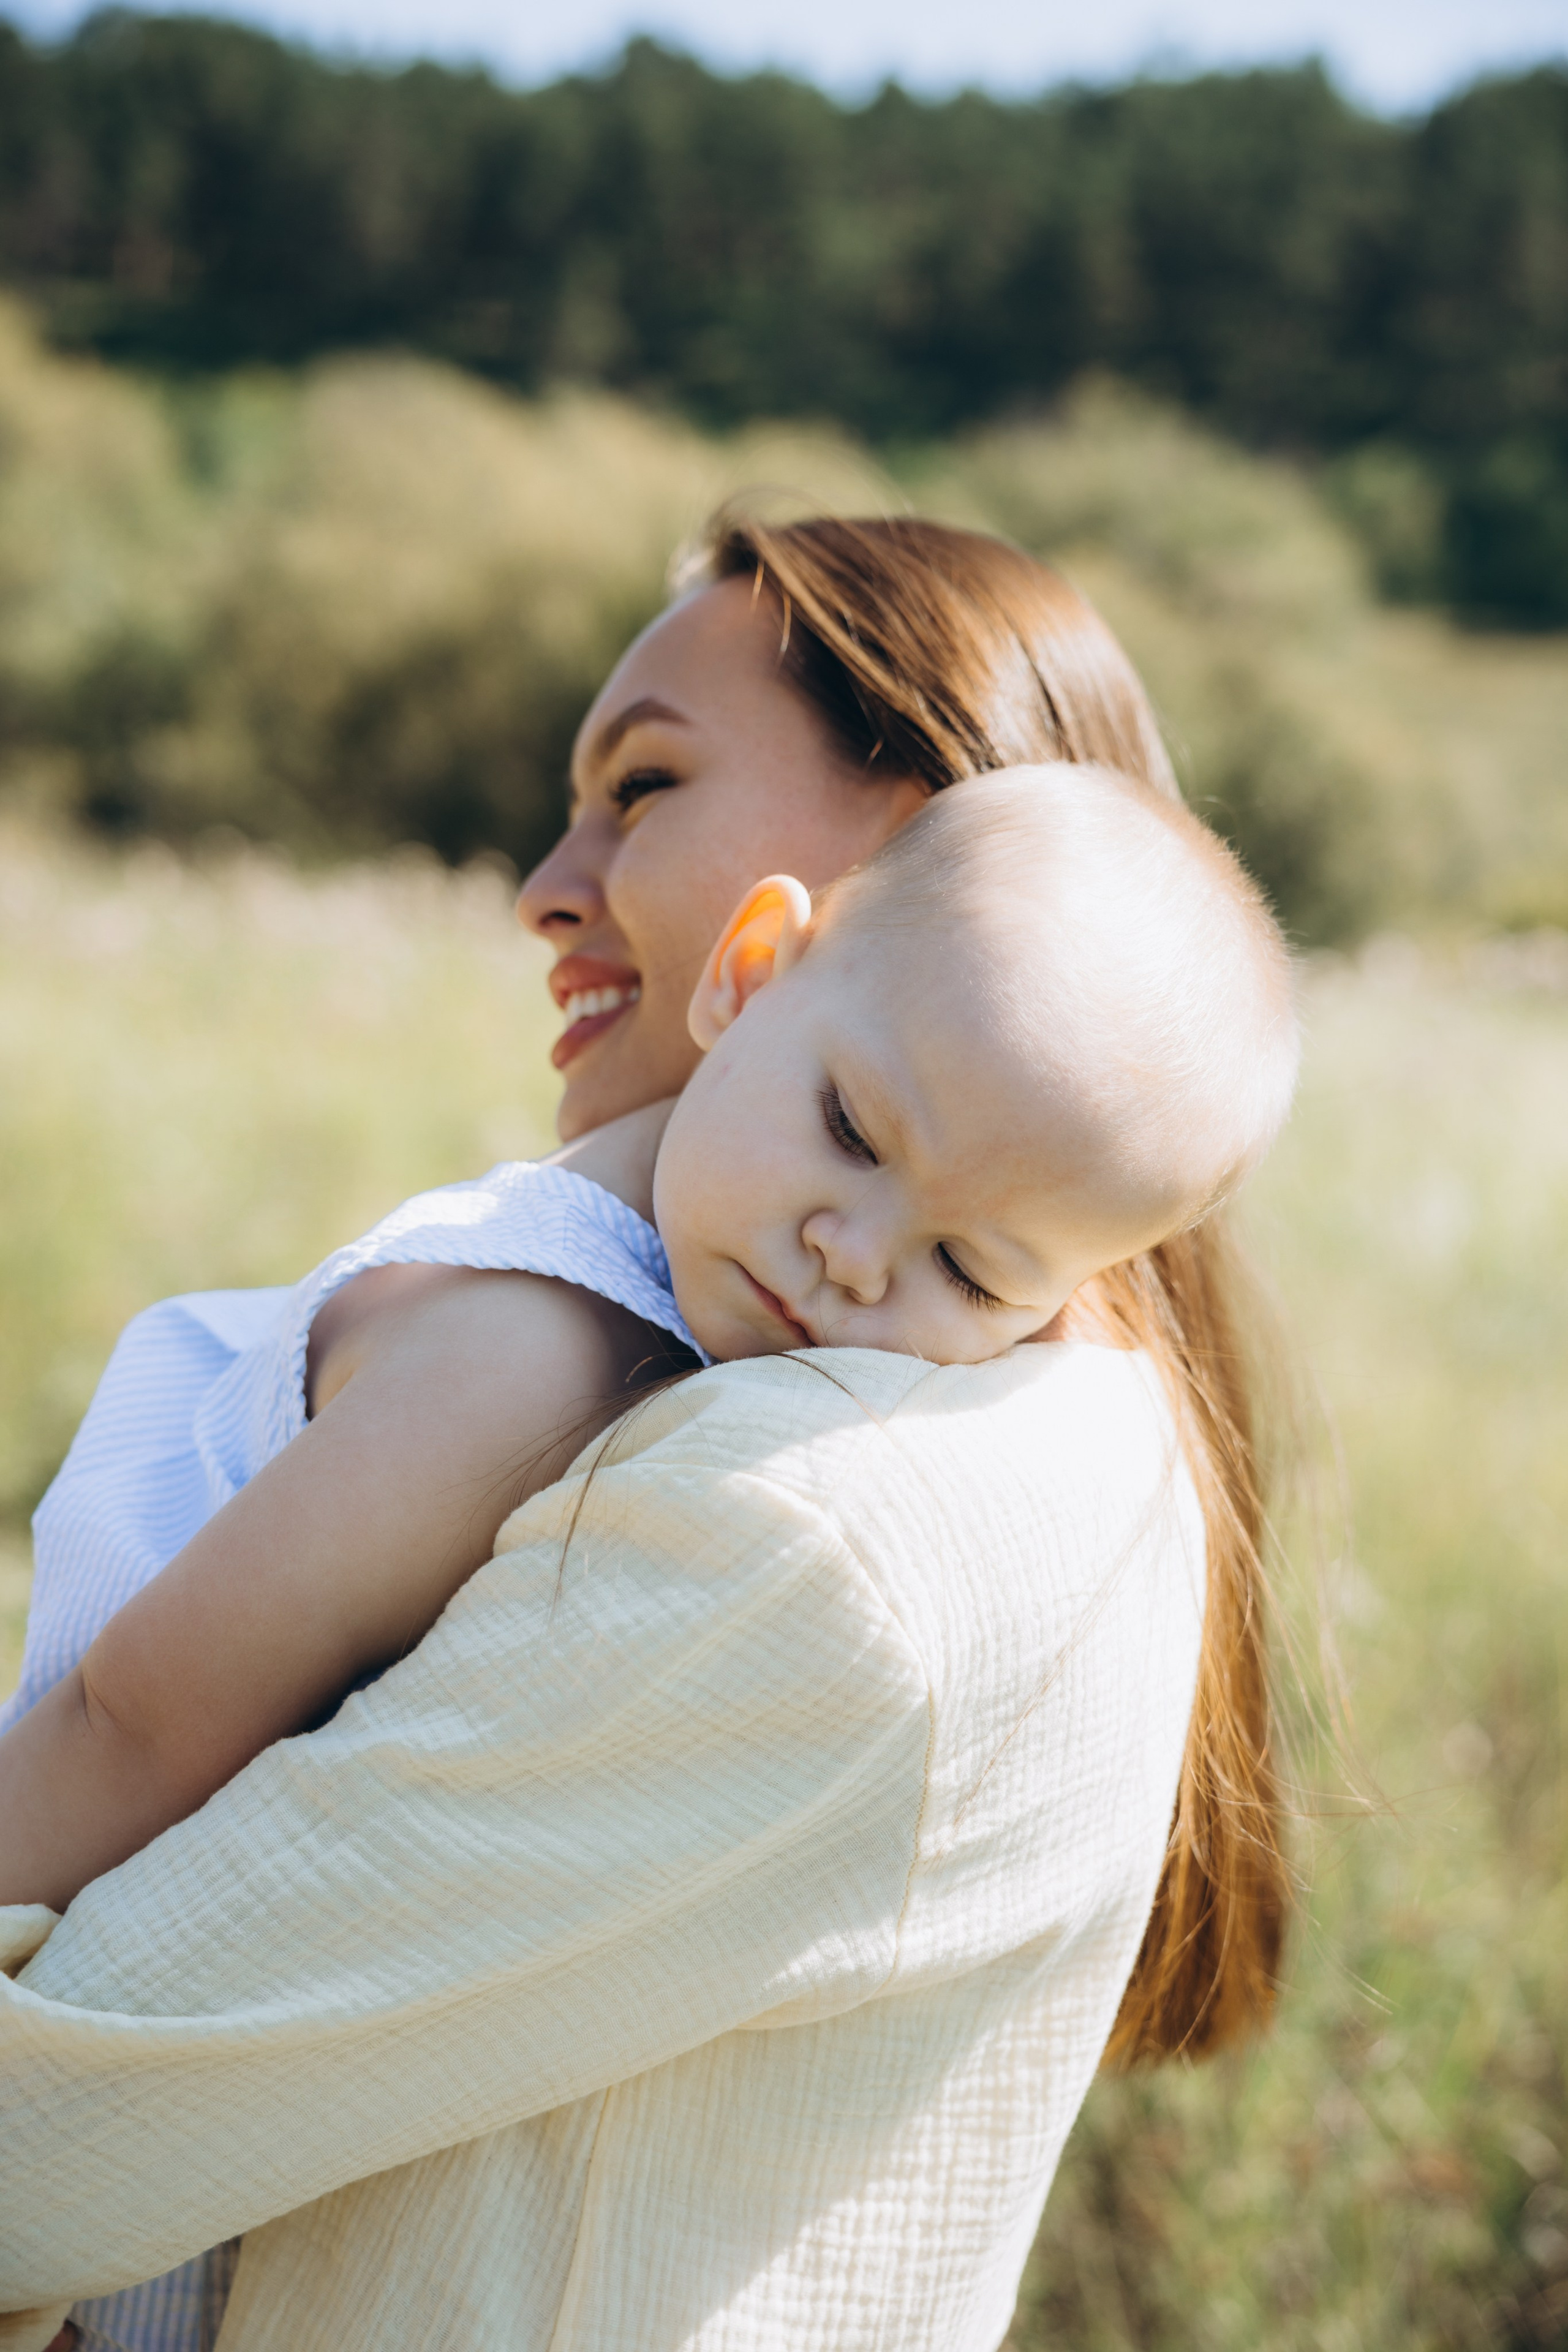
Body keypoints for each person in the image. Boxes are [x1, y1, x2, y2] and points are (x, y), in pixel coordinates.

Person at [0, 518, 1291, 2352]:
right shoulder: (1004, 1397)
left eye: (645, 787)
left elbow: (59, 2118)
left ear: (898, 834)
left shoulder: (755, 1494)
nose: (548, 883)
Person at [0, 763, 1297, 1917]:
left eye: (964, 1269)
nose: (849, 1255)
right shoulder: (529, 1365)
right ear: (744, 977)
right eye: (850, 1129)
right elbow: (133, 1724)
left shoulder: (723, 1252)